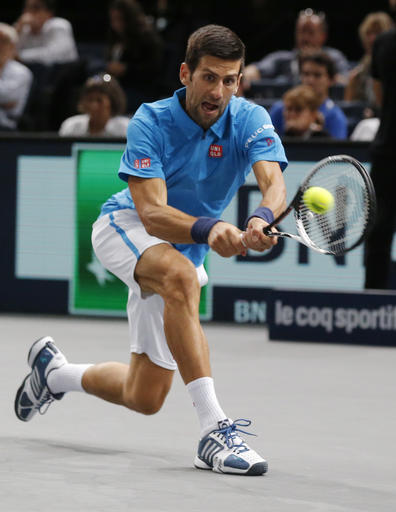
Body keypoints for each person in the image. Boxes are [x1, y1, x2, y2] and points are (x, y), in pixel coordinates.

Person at [15, 24, 288, 476]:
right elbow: (152, 213)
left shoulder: (250, 119)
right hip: (125, 228)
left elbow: (274, 183)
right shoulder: (151, 119)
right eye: (209, 77)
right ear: (185, 73)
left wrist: (260, 217)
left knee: (145, 396)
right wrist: (211, 227)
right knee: (181, 276)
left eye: (230, 80)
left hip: (183, 251)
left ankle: (53, 374)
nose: (219, 91)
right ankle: (214, 430)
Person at [365, 0, 396, 289]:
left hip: (387, 152)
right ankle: (371, 306)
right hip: (388, 153)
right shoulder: (384, 43)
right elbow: (379, 94)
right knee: (377, 234)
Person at [243, 8, 350, 89]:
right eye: (302, 32)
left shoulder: (334, 57)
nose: (305, 38)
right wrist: (247, 74)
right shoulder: (282, 58)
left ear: (323, 36)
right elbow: (255, 70)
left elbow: (346, 81)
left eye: (311, 32)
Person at [269, 51, 348, 139]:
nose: (310, 80)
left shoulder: (336, 117)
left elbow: (337, 151)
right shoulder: (279, 108)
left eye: (317, 75)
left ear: (331, 80)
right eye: (306, 74)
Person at [105, 0, 163, 112]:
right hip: (117, 86)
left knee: (107, 101)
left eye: (119, 19)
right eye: (113, 19)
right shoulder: (115, 38)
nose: (115, 24)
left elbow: (153, 70)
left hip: (139, 89)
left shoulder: (147, 39)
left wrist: (126, 69)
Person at [344, 11, 394, 116]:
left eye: (377, 32)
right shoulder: (357, 74)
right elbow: (348, 110)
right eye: (368, 33)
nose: (372, 39)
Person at [59, 73, 130, 137]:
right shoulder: (71, 126)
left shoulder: (125, 128)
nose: (93, 105)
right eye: (90, 99)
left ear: (112, 102)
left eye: (99, 100)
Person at [14, 0, 78, 65]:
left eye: (35, 8)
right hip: (32, 70)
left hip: (63, 71)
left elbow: (53, 55)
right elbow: (9, 51)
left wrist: (19, 56)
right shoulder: (24, 28)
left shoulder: (59, 25)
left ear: (49, 13)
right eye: (26, 8)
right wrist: (17, 30)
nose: (28, 13)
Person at [0, 23, 33, 130]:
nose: (0, 46)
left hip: (6, 126)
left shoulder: (21, 72)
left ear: (12, 46)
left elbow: (7, 96)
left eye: (3, 42)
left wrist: (5, 101)